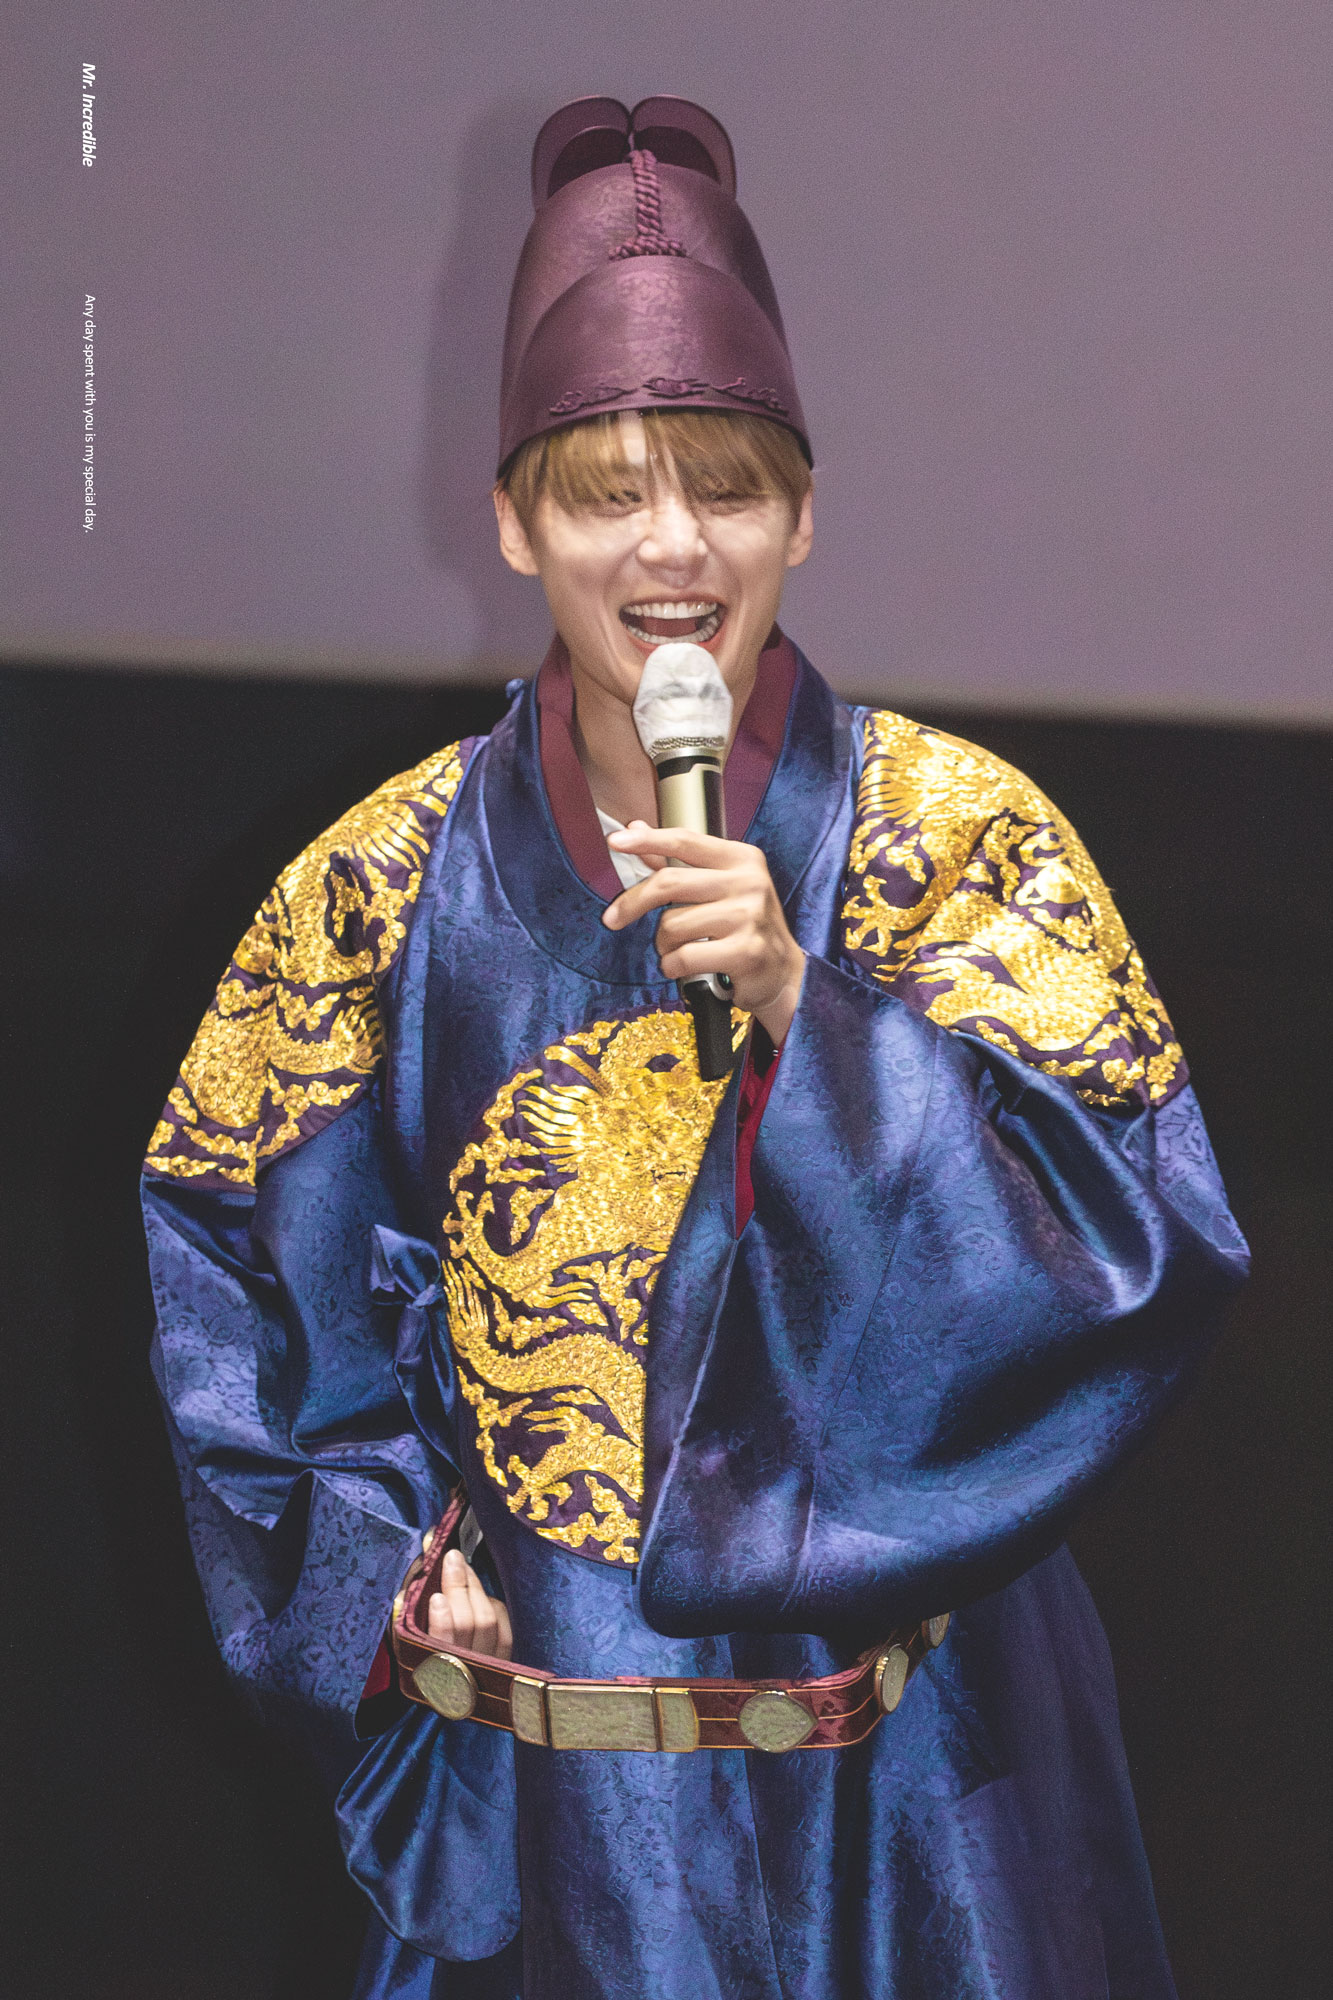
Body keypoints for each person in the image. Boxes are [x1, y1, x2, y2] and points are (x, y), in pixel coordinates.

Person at [142, 96, 1248, 2000]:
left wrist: (820, 1019)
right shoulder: (373, 892)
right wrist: (387, 1570)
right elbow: (230, 1267)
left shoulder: (960, 845)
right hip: (556, 1804)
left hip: (906, 1792)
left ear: (803, 513)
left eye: (728, 489)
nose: (673, 547)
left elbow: (1137, 1253)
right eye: (602, 494)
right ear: (511, 521)